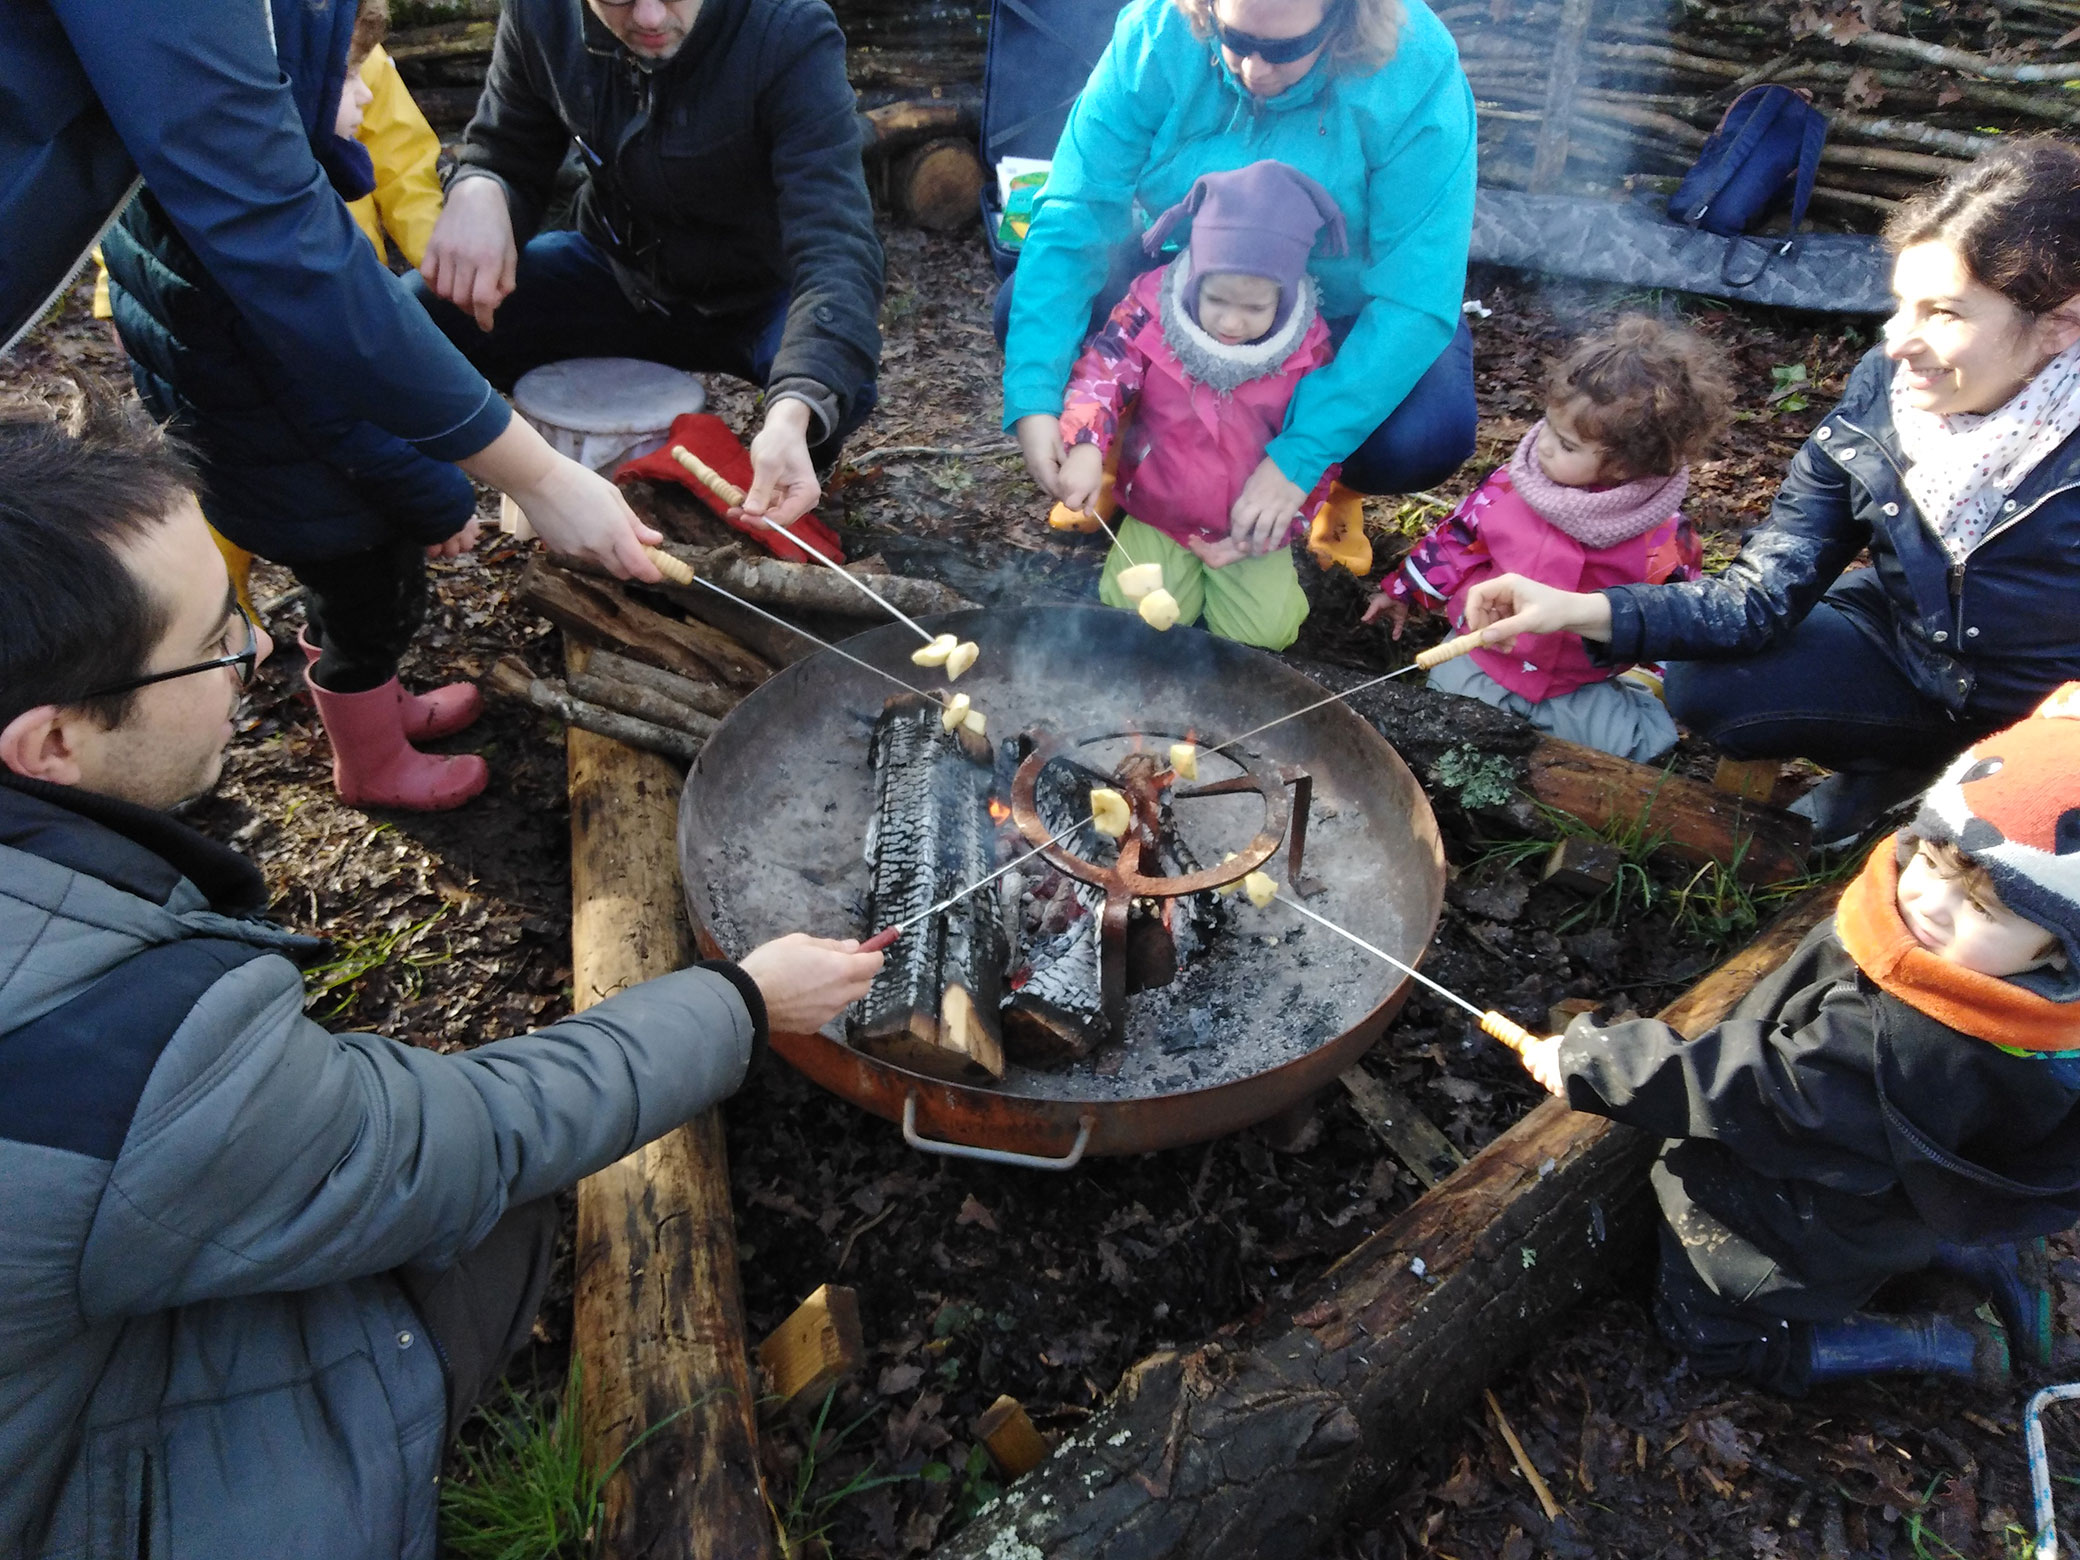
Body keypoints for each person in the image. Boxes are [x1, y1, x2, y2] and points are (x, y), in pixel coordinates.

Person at [0, 399, 883, 1557]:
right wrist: (744, 1001)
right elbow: (453, 1141)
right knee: (493, 1215)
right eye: (219, 640)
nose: (260, 653)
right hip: (79, 1492)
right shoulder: (122, 1059)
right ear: (50, 745)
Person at [1463, 138, 2080, 843]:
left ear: (2060, 323)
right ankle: (1901, 764)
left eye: (1945, 315)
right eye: (1904, 304)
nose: (1898, 341)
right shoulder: (1886, 391)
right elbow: (1761, 596)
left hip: (2053, 714)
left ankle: (1956, 788)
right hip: (1911, 656)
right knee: (1713, 685)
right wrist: (1574, 607)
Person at [1506, 689, 2080, 1395]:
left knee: (1712, 1339)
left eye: (1982, 908)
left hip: (1790, 1229)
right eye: (1932, 861)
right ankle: (1975, 1249)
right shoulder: (2037, 1011)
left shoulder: (1900, 1040)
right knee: (1917, 1213)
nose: (1929, 904)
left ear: (2061, 950)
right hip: (1909, 1190)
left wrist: (1594, 1063)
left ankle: (1940, 1344)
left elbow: (1762, 1087)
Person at [3, 0, 670, 586]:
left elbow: (395, 165)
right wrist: (538, 477)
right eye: (349, 78)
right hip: (289, 486)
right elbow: (279, 242)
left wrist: (447, 233)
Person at [102, 0, 493, 813]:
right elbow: (347, 411)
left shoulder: (165, 190)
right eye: (345, 79)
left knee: (345, 606)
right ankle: (373, 762)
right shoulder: (276, 255)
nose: (362, 100)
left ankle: (379, 709)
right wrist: (441, 499)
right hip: (321, 489)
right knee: (369, 611)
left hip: (256, 464)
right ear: (273, 91)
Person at [1001, 0, 1479, 573]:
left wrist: (1298, 459)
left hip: (1349, 308)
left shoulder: (1415, 67)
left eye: (1283, 50)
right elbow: (1075, 214)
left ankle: (1334, 492)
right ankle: (1111, 458)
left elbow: (1415, 298)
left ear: (1345, 18)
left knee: (1420, 433)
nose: (1254, 70)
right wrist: (1033, 395)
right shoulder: (1155, 34)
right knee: (1029, 315)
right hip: (1195, 279)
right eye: (1234, 39)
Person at [412, 0, 884, 530]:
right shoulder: (540, 14)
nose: (651, 18)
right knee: (416, 315)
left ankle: (781, 485)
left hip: (761, 296)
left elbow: (835, 241)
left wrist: (798, 404)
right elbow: (507, 148)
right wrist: (481, 185)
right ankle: (405, 525)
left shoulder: (787, 28)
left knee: (831, 384)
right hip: (616, 274)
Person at [1364, 317, 1729, 762]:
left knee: (1635, 747)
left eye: (1568, 445)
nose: (1545, 447)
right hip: (1486, 656)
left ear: (1628, 464)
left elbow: (1671, 612)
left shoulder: (1664, 535)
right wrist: (1405, 590)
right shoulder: (1511, 486)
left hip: (1579, 680)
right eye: (1549, 428)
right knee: (1446, 713)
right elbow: (1457, 538)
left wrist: (1656, 674)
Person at [1053, 161, 1346, 649]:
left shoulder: (1308, 351)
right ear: (1194, 282)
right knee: (1135, 616)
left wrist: (1284, 524)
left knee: (1263, 634)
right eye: (1216, 300)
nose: (1231, 323)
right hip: (1161, 509)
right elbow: (1103, 373)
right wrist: (1084, 445)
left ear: (1286, 292)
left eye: (1254, 308)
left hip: (1245, 528)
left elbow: (1320, 445)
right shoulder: (1151, 312)